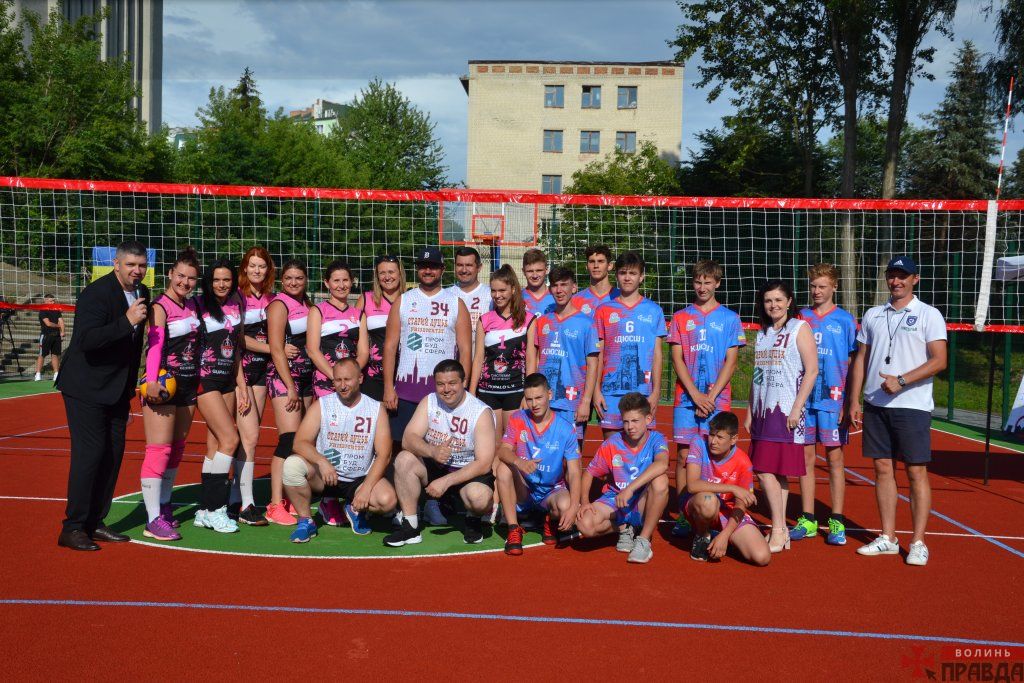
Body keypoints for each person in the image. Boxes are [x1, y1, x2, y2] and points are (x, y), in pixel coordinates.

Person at [848, 255, 947, 567]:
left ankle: (917, 542)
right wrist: (854, 400)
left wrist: (902, 380)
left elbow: (939, 360)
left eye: (903, 276)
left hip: (912, 405)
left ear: (915, 279)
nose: (896, 281)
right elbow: (861, 358)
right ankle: (888, 537)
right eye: (892, 275)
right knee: (882, 469)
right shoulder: (873, 314)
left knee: (916, 472)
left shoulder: (929, 314)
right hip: (876, 404)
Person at [56, 240, 149, 551]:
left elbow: (133, 347)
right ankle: (73, 527)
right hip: (85, 387)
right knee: (90, 455)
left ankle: (95, 521)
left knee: (112, 455)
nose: (136, 271)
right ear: (116, 264)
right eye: (130, 265)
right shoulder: (95, 294)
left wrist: (131, 386)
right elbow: (86, 340)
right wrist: (126, 322)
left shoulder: (143, 293)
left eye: (142, 265)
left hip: (117, 389)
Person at [667, 259, 746, 538]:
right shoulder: (680, 317)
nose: (702, 287)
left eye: (708, 282)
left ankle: (714, 510)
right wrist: (695, 394)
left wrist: (710, 397)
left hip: (716, 400)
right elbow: (676, 359)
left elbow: (731, 362)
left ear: (717, 284)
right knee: (684, 455)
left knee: (715, 453)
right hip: (687, 399)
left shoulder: (730, 318)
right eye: (698, 282)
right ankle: (683, 513)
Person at [384, 359, 496, 547]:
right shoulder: (429, 401)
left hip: (466, 471)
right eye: (440, 384)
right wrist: (432, 451)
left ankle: (473, 518)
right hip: (435, 465)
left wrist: (446, 481)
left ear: (464, 382)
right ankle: (410, 527)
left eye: (452, 383)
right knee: (404, 459)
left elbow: (484, 463)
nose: (446, 389)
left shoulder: (480, 412)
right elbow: (408, 438)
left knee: (479, 498)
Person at [284, 358, 398, 543]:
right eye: (338, 380)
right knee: (292, 465)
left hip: (359, 479)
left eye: (347, 379)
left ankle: (354, 509)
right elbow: (299, 443)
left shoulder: (376, 408)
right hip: (326, 476)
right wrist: (321, 461)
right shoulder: (322, 404)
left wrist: (366, 488)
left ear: (360, 379)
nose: (342, 385)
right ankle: (306, 521)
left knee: (387, 501)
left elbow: (384, 454)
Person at [746, 279, 818, 554]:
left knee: (764, 470)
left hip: (786, 411)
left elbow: (812, 370)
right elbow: (757, 374)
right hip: (763, 411)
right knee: (775, 472)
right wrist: (750, 409)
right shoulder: (763, 333)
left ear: (789, 301)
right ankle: (781, 530)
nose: (773, 305)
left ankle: (778, 528)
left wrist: (798, 407)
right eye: (768, 300)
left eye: (778, 299)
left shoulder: (800, 328)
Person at [790, 263, 858, 545]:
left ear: (834, 287)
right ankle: (807, 518)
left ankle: (837, 520)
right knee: (805, 457)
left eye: (822, 286)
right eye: (813, 286)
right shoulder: (800, 317)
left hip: (833, 399)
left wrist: (850, 400)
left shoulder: (845, 320)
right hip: (804, 399)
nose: (817, 291)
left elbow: (853, 363)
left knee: (834, 458)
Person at [139, 248, 203, 542]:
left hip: (188, 385)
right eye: (180, 276)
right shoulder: (160, 307)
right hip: (164, 386)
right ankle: (152, 519)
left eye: (191, 278)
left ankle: (164, 506)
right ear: (170, 274)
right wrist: (152, 380)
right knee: (159, 449)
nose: (185, 282)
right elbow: (155, 345)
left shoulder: (192, 305)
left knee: (176, 448)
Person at [382, 247, 471, 446]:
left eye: (433, 266)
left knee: (439, 452)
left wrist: (462, 387)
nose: (428, 271)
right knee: (401, 448)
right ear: (417, 269)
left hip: (443, 395)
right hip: (405, 393)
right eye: (423, 266)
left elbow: (465, 350)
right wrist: (388, 387)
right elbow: (389, 347)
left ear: (442, 269)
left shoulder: (456, 303)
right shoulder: (403, 301)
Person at [576, 392, 670, 564]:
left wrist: (630, 489)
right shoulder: (612, 443)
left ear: (648, 419)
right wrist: (584, 501)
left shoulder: (657, 439)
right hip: (616, 499)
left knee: (661, 481)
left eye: (635, 421)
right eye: (626, 421)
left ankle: (643, 540)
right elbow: (589, 473)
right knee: (584, 524)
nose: (630, 427)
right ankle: (624, 527)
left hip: (642, 501)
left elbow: (662, 464)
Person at [496, 373, 581, 555]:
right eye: (529, 399)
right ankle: (513, 529)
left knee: (566, 505)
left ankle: (549, 519)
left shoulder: (566, 428)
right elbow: (502, 451)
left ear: (549, 394)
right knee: (503, 468)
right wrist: (519, 462)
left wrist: (575, 506)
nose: (534, 404)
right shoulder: (518, 418)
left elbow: (574, 472)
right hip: (524, 487)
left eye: (539, 398)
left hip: (551, 490)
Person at [194, 258, 248, 533]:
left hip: (227, 379)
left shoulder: (237, 305)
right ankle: (216, 509)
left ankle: (204, 510)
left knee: (215, 444)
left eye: (226, 279)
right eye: (216, 279)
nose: (221, 284)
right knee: (230, 440)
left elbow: (236, 348)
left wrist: (241, 385)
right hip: (205, 379)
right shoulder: (197, 305)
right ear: (208, 281)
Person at [264, 260, 315, 525]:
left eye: (299, 278)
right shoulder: (278, 305)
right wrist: (291, 386)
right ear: (282, 280)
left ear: (306, 280)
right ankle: (274, 504)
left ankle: (291, 495)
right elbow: (275, 348)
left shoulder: (307, 303)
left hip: (306, 377)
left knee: (302, 440)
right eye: (289, 278)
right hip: (286, 379)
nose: (294, 282)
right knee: (288, 439)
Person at [593, 251, 667, 435]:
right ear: (616, 275)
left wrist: (656, 392)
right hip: (610, 393)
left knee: (640, 446)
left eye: (633, 273)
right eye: (623, 273)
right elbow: (598, 354)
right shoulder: (603, 310)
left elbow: (657, 354)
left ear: (641, 277)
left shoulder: (654, 311)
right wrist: (596, 390)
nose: (627, 278)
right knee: (612, 446)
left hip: (642, 392)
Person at [684, 411, 770, 566]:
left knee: (761, 556)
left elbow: (740, 505)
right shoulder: (698, 442)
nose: (713, 441)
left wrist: (725, 535)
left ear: (734, 439)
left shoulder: (744, 463)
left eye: (720, 437)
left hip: (727, 511)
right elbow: (692, 485)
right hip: (700, 504)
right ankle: (702, 535)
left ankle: (719, 535)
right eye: (711, 435)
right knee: (708, 501)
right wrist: (732, 488)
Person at [527, 266, 600, 445]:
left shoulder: (587, 323)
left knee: (571, 454)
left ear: (574, 287)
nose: (559, 290)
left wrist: (586, 401)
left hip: (571, 402)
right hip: (543, 401)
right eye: (555, 285)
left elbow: (593, 365)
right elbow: (536, 359)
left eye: (564, 285)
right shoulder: (542, 322)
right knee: (543, 450)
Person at [230, 246, 274, 525]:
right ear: (245, 267)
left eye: (262, 266)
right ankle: (247, 505)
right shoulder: (237, 296)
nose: (257, 270)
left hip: (262, 373)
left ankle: (235, 497)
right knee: (249, 437)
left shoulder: (271, 298)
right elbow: (238, 337)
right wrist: (273, 349)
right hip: (240, 372)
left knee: (249, 437)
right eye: (253, 265)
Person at [470, 265, 535, 448]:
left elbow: (531, 359)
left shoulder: (528, 320)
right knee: (493, 445)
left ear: (513, 289)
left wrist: (528, 393)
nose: (497, 295)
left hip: (515, 390)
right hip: (488, 391)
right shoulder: (484, 319)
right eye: (493, 291)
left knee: (512, 445)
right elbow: (478, 358)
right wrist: (472, 392)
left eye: (502, 290)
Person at [308, 260, 368, 400]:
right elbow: (312, 350)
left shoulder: (359, 314)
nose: (341, 285)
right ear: (327, 283)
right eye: (336, 281)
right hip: (326, 379)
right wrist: (335, 377)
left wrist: (350, 376)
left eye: (345, 280)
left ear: (351, 282)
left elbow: (364, 352)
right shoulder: (317, 311)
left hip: (351, 382)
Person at [359, 254, 404, 402]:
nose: (387, 277)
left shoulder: (411, 299)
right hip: (373, 375)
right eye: (382, 273)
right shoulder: (366, 299)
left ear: (400, 273)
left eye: (391, 272)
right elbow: (350, 336)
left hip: (404, 375)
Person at [445, 246, 491, 352]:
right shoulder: (445, 295)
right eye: (460, 265)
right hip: (452, 358)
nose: (464, 270)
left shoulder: (490, 295)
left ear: (479, 267)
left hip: (482, 357)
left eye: (469, 265)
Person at [570, 244, 619, 316]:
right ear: (586, 266)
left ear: (610, 266)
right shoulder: (575, 300)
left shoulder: (621, 297)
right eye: (592, 261)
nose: (596, 266)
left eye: (601, 261)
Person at [34, 293, 65, 382]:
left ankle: (56, 374)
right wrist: (58, 326)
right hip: (46, 336)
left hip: (56, 336)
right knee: (42, 355)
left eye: (54, 301)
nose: (53, 302)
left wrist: (62, 332)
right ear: (46, 301)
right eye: (51, 301)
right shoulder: (43, 311)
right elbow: (48, 323)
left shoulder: (56, 310)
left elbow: (61, 321)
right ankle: (38, 374)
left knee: (55, 355)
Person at [521, 248, 555, 316]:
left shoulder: (557, 296)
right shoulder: (518, 298)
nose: (535, 275)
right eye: (530, 271)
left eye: (539, 270)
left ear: (546, 270)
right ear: (523, 272)